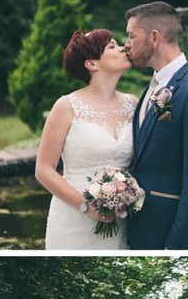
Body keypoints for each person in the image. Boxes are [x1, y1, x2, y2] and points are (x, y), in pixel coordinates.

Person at [123, 1, 188, 250]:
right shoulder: (151, 87)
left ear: (154, 38)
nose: (126, 44)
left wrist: (176, 248)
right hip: (140, 233)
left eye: (131, 36)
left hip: (170, 237)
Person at [36, 29, 138, 250]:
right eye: (111, 46)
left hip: (120, 220)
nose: (122, 48)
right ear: (92, 64)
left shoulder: (133, 104)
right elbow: (44, 169)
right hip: (73, 220)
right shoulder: (66, 106)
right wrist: (87, 207)